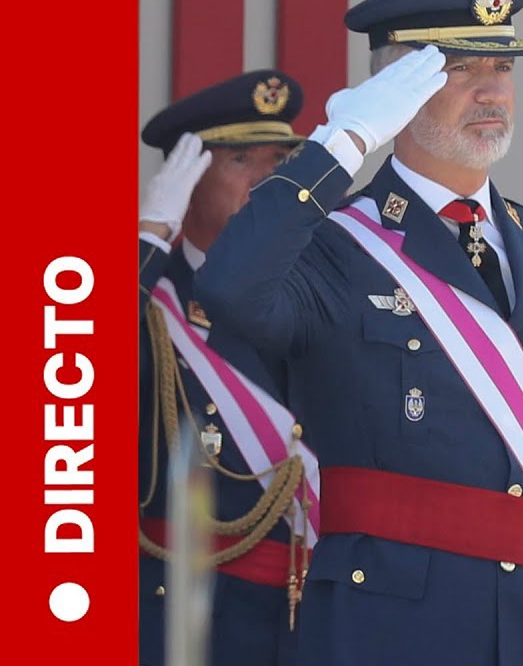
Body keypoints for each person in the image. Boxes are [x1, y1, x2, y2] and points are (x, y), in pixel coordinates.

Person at [195, 0, 523, 666]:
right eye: (461, 68)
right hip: (387, 633)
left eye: (502, 66)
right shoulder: (332, 242)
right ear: (395, 94)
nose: (492, 91)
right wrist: (341, 143)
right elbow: (229, 288)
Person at [137, 70, 316, 665]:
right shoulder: (153, 299)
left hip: (315, 615)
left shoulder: (328, 289)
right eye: (242, 159)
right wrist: (148, 238)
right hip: (195, 622)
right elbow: (67, 380)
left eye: (282, 159)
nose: (269, 178)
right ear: (187, 180)